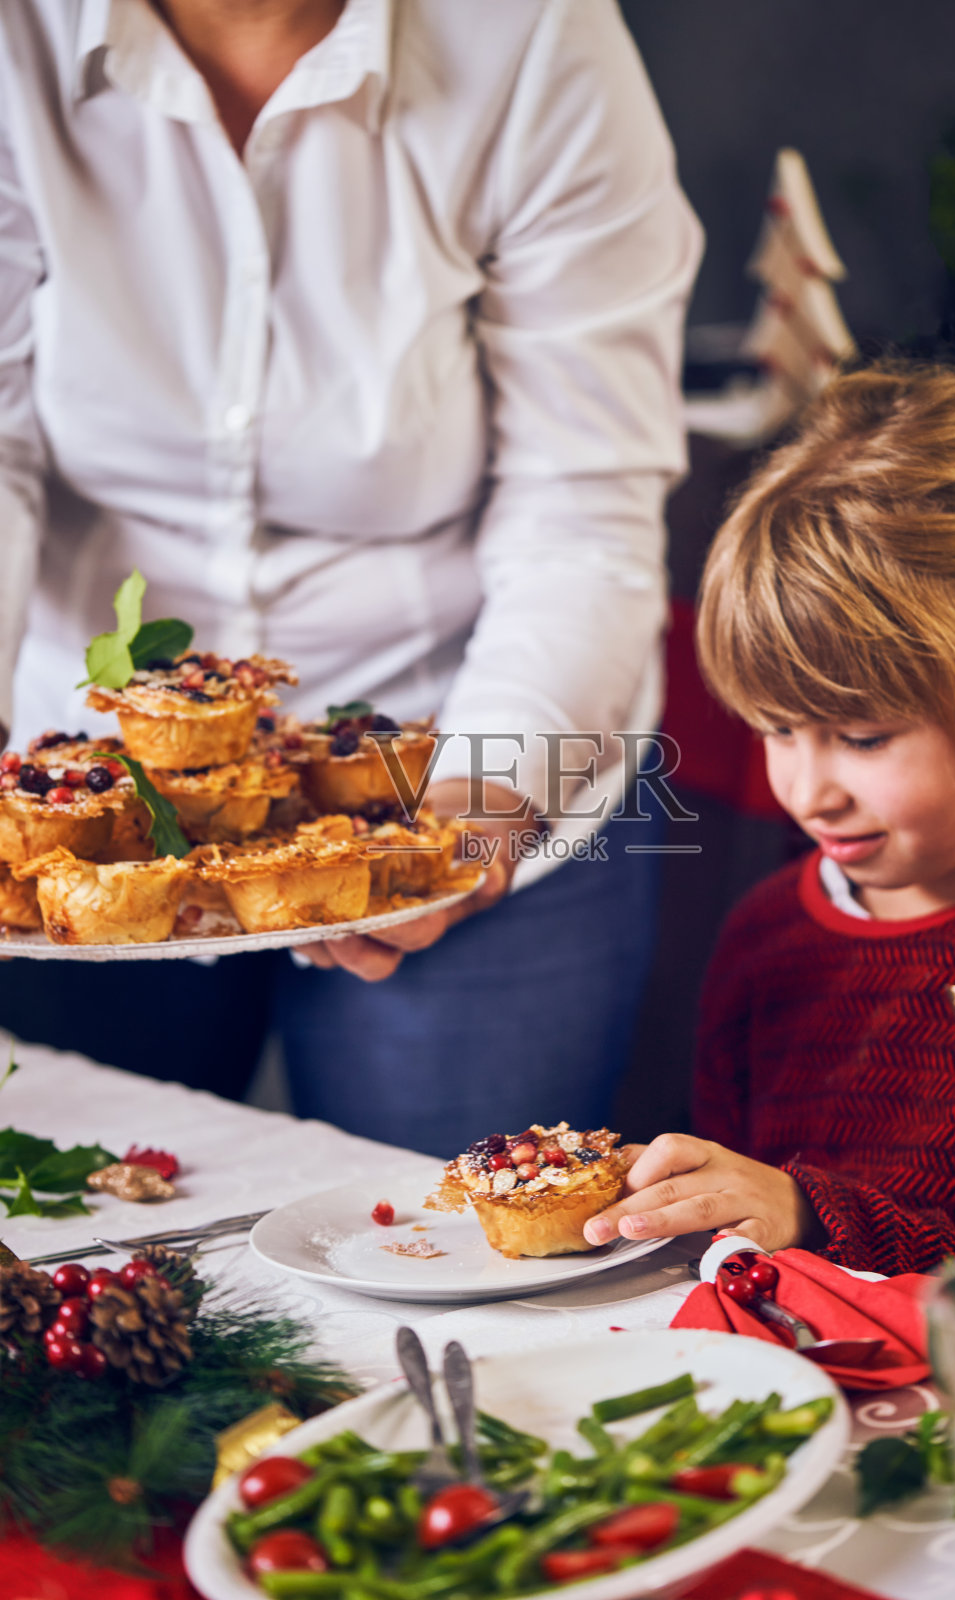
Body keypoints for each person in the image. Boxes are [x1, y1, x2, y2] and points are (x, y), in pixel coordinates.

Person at [0, 0, 702, 1153]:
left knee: (451, 1251)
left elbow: (583, 498)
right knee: (86, 1239)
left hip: (468, 747)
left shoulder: (535, 37)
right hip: (84, 792)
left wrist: (475, 808)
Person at [585, 363, 955, 1274]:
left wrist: (811, 1214)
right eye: (776, 729)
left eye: (862, 736)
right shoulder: (767, 933)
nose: (807, 792)